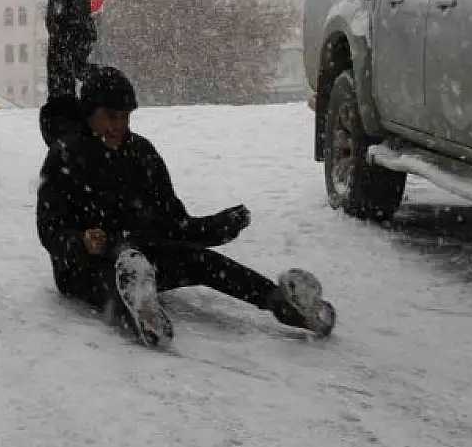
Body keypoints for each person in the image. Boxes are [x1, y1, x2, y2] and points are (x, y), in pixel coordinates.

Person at [36, 66, 336, 347]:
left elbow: (174, 224)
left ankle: (282, 303)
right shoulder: (65, 156)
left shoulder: (141, 153)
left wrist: (216, 228)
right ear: (90, 115)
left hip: (144, 255)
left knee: (200, 261)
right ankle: (140, 315)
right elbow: (49, 228)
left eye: (125, 118)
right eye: (110, 117)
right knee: (114, 276)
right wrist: (82, 242)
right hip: (83, 268)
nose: (118, 126)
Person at [42, 0, 96, 99]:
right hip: (62, 36)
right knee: (62, 74)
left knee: (73, 69)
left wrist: (71, 29)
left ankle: (105, 86)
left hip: (70, 35)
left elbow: (78, 4)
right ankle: (64, 105)